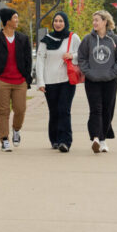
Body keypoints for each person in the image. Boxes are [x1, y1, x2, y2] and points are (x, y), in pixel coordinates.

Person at [76, 10, 117, 154]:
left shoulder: (115, 40)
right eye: (93, 20)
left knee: (107, 110)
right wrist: (89, 72)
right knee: (95, 109)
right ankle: (96, 138)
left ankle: (103, 139)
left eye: (97, 20)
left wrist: (113, 73)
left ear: (105, 21)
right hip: (92, 81)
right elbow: (82, 58)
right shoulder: (87, 39)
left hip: (110, 81)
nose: (94, 23)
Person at [0, 8, 32, 152]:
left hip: (20, 81)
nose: (17, 20)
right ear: (7, 21)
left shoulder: (23, 39)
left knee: (20, 109)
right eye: (15, 17)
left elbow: (28, 60)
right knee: (3, 112)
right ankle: (4, 139)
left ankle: (16, 129)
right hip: (2, 81)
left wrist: (27, 78)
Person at [36, 12, 81, 153]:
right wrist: (40, 82)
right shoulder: (46, 40)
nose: (58, 23)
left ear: (65, 22)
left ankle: (65, 141)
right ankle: (54, 139)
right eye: (56, 21)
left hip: (67, 81)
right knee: (54, 111)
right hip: (50, 81)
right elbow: (40, 61)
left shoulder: (73, 37)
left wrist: (72, 55)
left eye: (61, 21)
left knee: (64, 110)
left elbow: (82, 54)